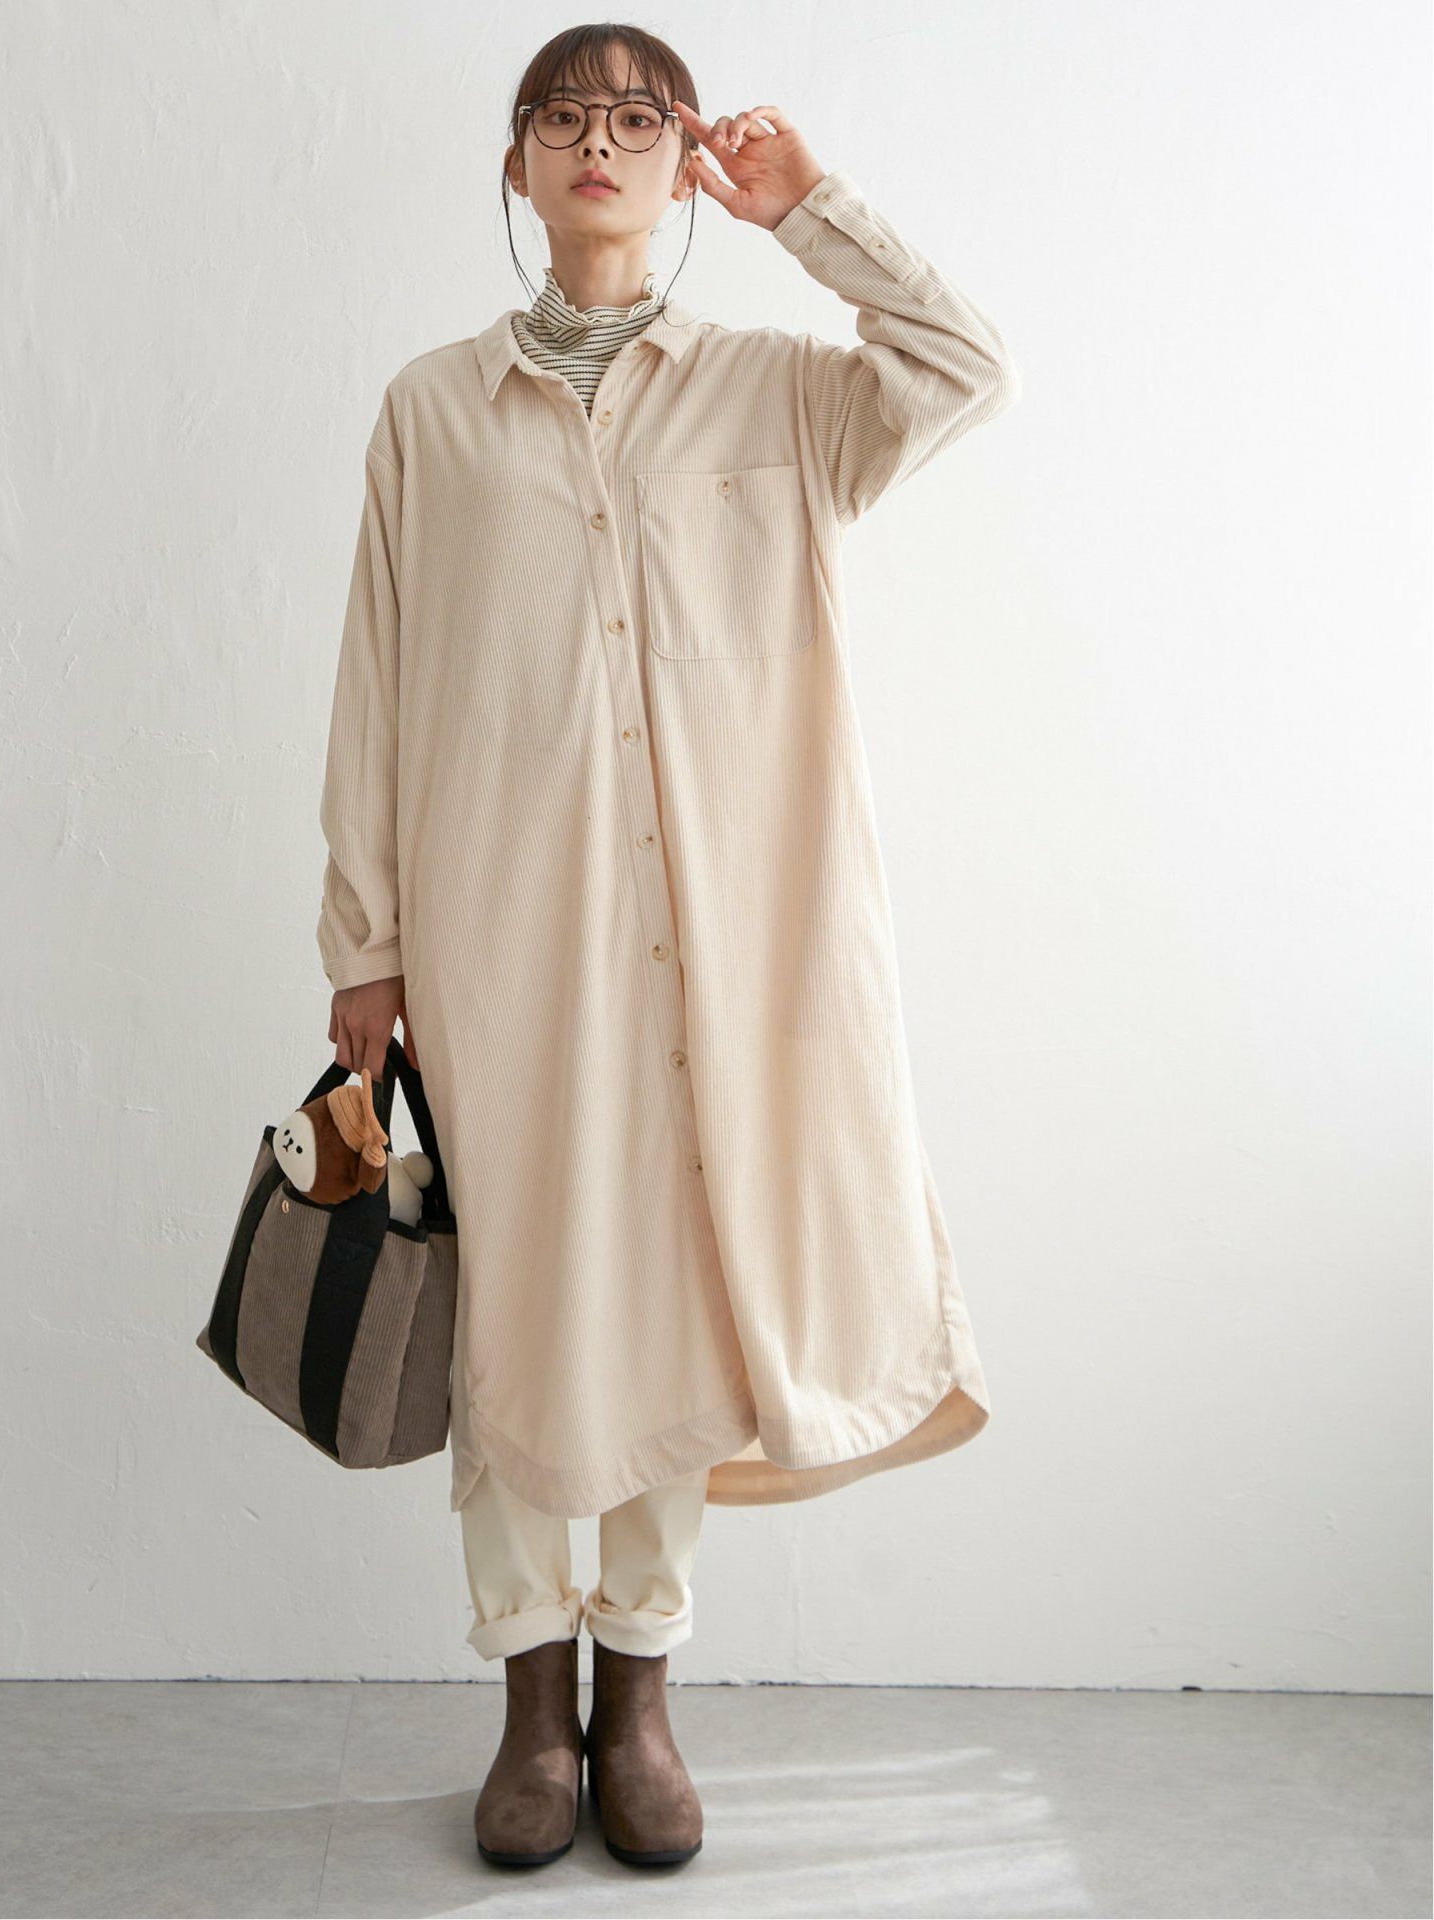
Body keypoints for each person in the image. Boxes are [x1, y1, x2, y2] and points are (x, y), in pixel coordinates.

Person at [316, 23, 1019, 1872]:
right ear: (516, 163)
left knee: (675, 1302)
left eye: (640, 118)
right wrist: (365, 941)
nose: (601, 143)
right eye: (565, 116)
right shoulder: (430, 413)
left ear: (683, 155)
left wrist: (811, 210)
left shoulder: (777, 395)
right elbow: (376, 680)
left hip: (728, 948)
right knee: (512, 1308)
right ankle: (527, 1706)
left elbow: (966, 366)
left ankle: (639, 1694)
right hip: (503, 942)